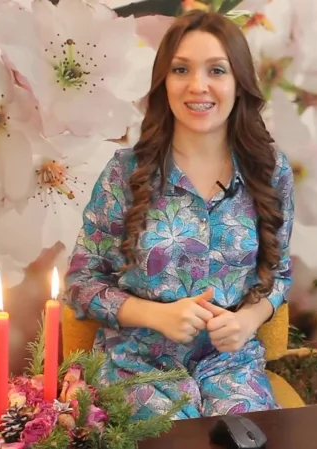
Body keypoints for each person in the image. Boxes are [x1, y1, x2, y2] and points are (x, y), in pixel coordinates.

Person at [63, 9, 295, 420]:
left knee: (246, 435)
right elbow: (82, 282)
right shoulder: (124, 173)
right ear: (164, 82)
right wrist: (155, 315)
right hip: (137, 366)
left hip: (231, 364)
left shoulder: (270, 172)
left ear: (239, 83)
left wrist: (247, 320)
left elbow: (278, 274)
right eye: (181, 69)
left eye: (216, 70)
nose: (197, 86)